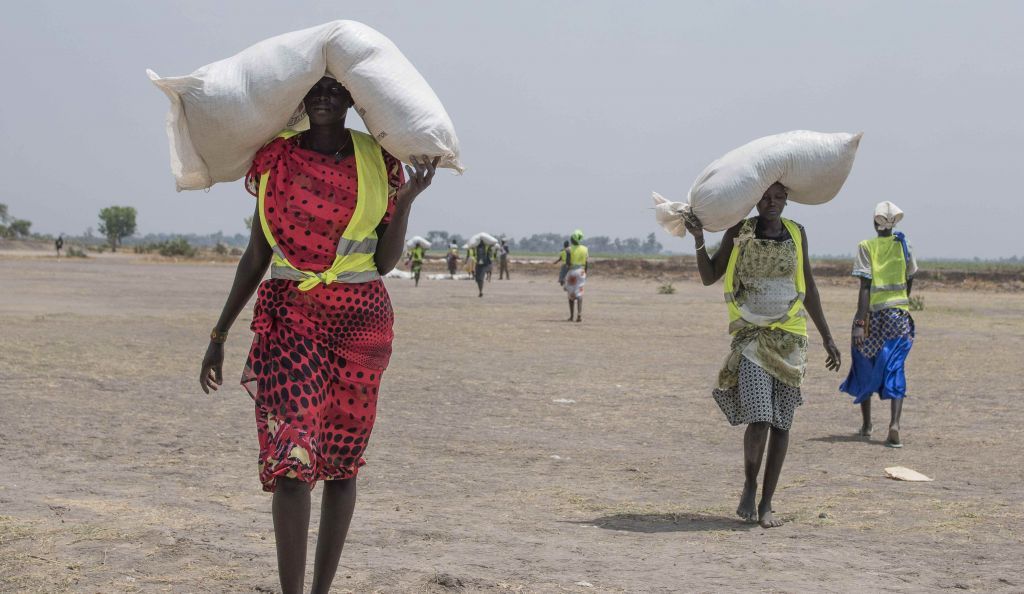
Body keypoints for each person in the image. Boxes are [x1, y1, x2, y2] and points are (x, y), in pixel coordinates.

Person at [198, 75, 439, 594]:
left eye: (337, 90)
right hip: (291, 318)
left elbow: (384, 261)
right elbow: (256, 257)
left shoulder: (378, 159)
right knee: (291, 460)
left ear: (353, 100)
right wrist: (219, 333)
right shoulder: (276, 161)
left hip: (361, 321)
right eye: (316, 90)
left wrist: (408, 204)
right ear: (301, 100)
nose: (326, 97)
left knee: (341, 464)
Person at [686, 182, 840, 529]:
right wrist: (698, 238)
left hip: (791, 337)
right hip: (753, 337)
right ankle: (749, 485)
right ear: (755, 200)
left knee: (782, 423)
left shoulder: (797, 233)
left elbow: (809, 286)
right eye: (765, 198)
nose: (772, 204)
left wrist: (828, 337)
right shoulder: (740, 231)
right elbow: (711, 275)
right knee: (760, 418)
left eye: (779, 198)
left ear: (787, 200)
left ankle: (768, 502)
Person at [840, 201, 918, 448]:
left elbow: (865, 287)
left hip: (874, 316)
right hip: (899, 317)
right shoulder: (904, 245)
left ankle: (866, 424)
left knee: (864, 360)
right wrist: (902, 304)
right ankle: (894, 424)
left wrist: (860, 323)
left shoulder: (866, 247)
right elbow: (910, 278)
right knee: (895, 366)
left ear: (875, 222)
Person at [564, 230, 588, 322]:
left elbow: (568, 263)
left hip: (572, 272)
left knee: (571, 294)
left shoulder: (568, 249)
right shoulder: (585, 249)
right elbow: (586, 263)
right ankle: (579, 314)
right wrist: (585, 273)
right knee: (580, 293)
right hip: (581, 272)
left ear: (573, 239)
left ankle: (571, 316)